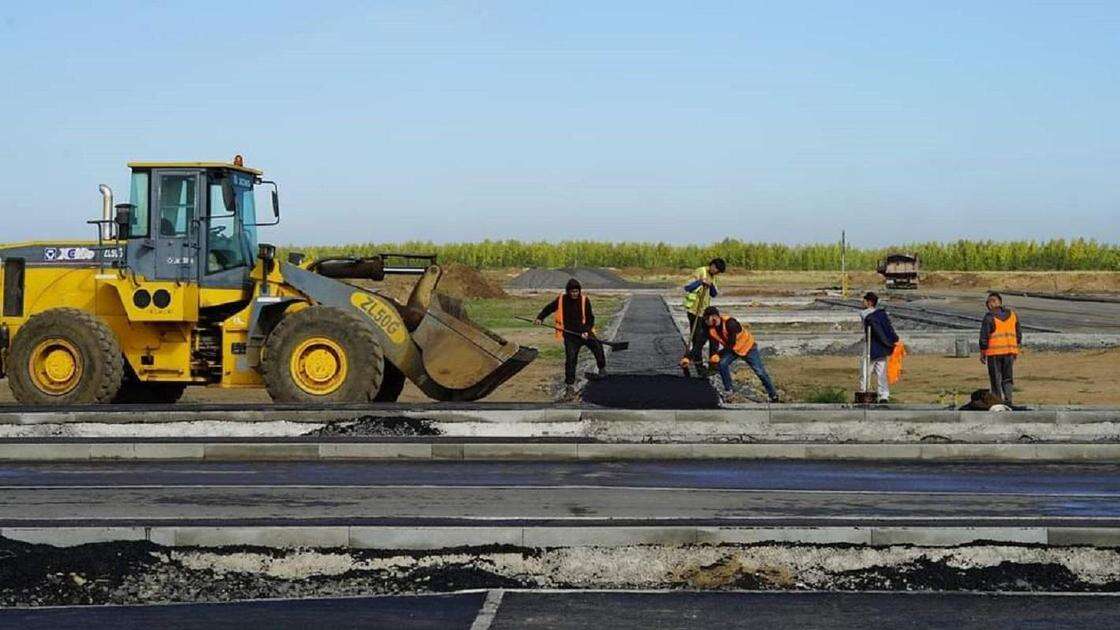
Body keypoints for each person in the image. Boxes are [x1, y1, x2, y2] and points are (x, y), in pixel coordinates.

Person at [535, 278, 606, 399]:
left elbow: (590, 318)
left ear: (579, 291)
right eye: (572, 291)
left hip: (585, 333)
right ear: (568, 291)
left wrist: (586, 331)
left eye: (576, 291)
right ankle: (569, 387)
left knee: (598, 348)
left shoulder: (585, 300)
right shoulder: (562, 300)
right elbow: (549, 308)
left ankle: (602, 370)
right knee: (571, 360)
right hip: (570, 336)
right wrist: (540, 318)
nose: (574, 294)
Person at [702, 306, 779, 402]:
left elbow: (731, 343)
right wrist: (714, 355)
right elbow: (714, 344)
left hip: (748, 348)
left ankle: (774, 395)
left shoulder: (730, 323)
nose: (706, 321)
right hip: (734, 350)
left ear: (714, 317)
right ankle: (729, 391)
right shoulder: (712, 330)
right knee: (722, 364)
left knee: (760, 372)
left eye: (706, 319)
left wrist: (719, 354)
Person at [682, 258, 727, 375]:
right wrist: (701, 282)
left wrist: (710, 285)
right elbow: (687, 287)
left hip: (705, 313)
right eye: (716, 270)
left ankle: (713, 365)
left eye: (718, 272)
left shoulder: (713, 276)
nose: (717, 273)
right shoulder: (700, 271)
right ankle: (699, 366)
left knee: (714, 337)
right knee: (697, 340)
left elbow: (714, 294)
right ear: (712, 265)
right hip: (694, 312)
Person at [979, 292, 1021, 405]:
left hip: (994, 353)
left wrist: (983, 353)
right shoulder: (1013, 315)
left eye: (988, 303)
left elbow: (984, 337)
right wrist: (1015, 350)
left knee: (995, 378)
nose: (988, 306)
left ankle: (997, 401)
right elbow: (1018, 335)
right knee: (1008, 378)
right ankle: (1008, 400)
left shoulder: (989, 317)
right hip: (1010, 352)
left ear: (992, 303)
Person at [860, 292, 899, 403]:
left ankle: (864, 393)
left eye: (864, 301)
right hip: (882, 348)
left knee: (865, 372)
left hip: (871, 347)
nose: (862, 303)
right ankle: (884, 395)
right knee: (881, 373)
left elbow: (876, 330)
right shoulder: (882, 314)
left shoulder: (864, 314)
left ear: (869, 302)